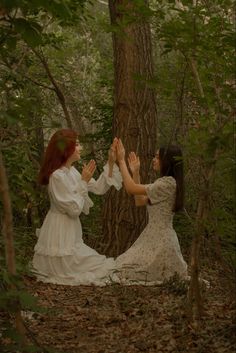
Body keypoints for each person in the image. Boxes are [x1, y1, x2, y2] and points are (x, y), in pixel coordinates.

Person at [32, 129, 122, 286]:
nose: (81, 148)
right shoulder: (57, 176)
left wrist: (111, 161)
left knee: (97, 263)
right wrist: (83, 182)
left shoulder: (72, 171)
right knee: (90, 264)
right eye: (77, 144)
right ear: (66, 148)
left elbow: (99, 188)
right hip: (60, 232)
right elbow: (74, 209)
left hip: (71, 231)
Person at [115, 139, 188, 285]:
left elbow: (130, 188)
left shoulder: (167, 183)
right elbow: (140, 201)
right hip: (153, 237)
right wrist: (135, 172)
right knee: (121, 266)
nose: (154, 160)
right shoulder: (165, 183)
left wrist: (121, 161)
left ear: (166, 161)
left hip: (161, 241)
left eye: (157, 157)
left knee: (125, 269)